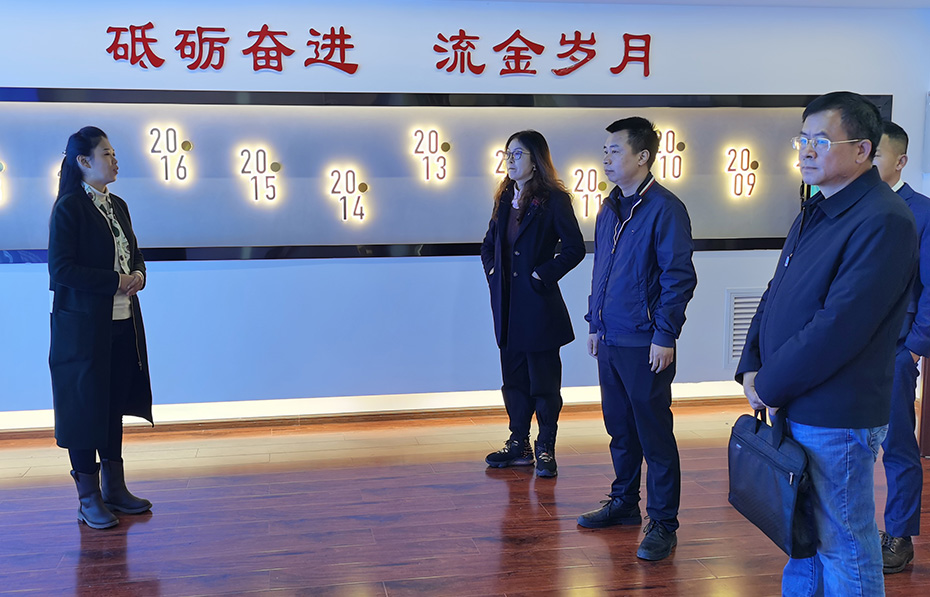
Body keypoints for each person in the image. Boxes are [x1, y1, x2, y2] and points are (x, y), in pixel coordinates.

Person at [736, 92, 917, 595]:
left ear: (862, 149)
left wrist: (770, 384)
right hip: (796, 398)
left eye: (821, 140)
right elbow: (775, 292)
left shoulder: (883, 219)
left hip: (836, 411)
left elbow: (839, 326)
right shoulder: (817, 207)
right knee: (804, 539)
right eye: (803, 139)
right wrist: (751, 364)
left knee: (844, 544)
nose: (807, 150)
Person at [577, 117, 696, 562]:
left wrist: (665, 334)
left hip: (646, 342)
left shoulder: (665, 209)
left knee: (654, 434)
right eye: (604, 151)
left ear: (643, 156)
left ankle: (663, 522)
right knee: (620, 429)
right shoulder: (609, 208)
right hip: (610, 337)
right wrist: (594, 322)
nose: (606, 158)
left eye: (615, 150)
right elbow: (601, 271)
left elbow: (677, 278)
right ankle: (625, 502)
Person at [49, 126, 154, 529]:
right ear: (83, 161)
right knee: (83, 410)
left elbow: (135, 255)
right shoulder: (69, 207)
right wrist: (115, 281)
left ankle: (115, 488)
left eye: (113, 153)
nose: (114, 160)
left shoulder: (118, 205)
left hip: (122, 322)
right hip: (82, 330)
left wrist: (138, 275)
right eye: (106, 154)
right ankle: (88, 498)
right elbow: (61, 270)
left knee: (111, 405)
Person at [481, 130, 584, 478]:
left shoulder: (554, 200)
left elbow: (574, 248)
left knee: (544, 384)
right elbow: (488, 244)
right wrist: (493, 272)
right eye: (507, 154)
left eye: (517, 154)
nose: (509, 161)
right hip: (507, 308)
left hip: (539, 308)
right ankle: (518, 443)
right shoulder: (504, 197)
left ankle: (545, 447)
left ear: (536, 160)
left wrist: (542, 274)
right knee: (513, 381)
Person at [871, 120, 929, 574]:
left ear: (901, 160)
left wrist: (914, 347)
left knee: (897, 445)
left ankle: (899, 535)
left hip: (895, 349)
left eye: (876, 156)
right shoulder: (853, 205)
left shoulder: (921, 211)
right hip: (850, 349)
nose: (867, 162)